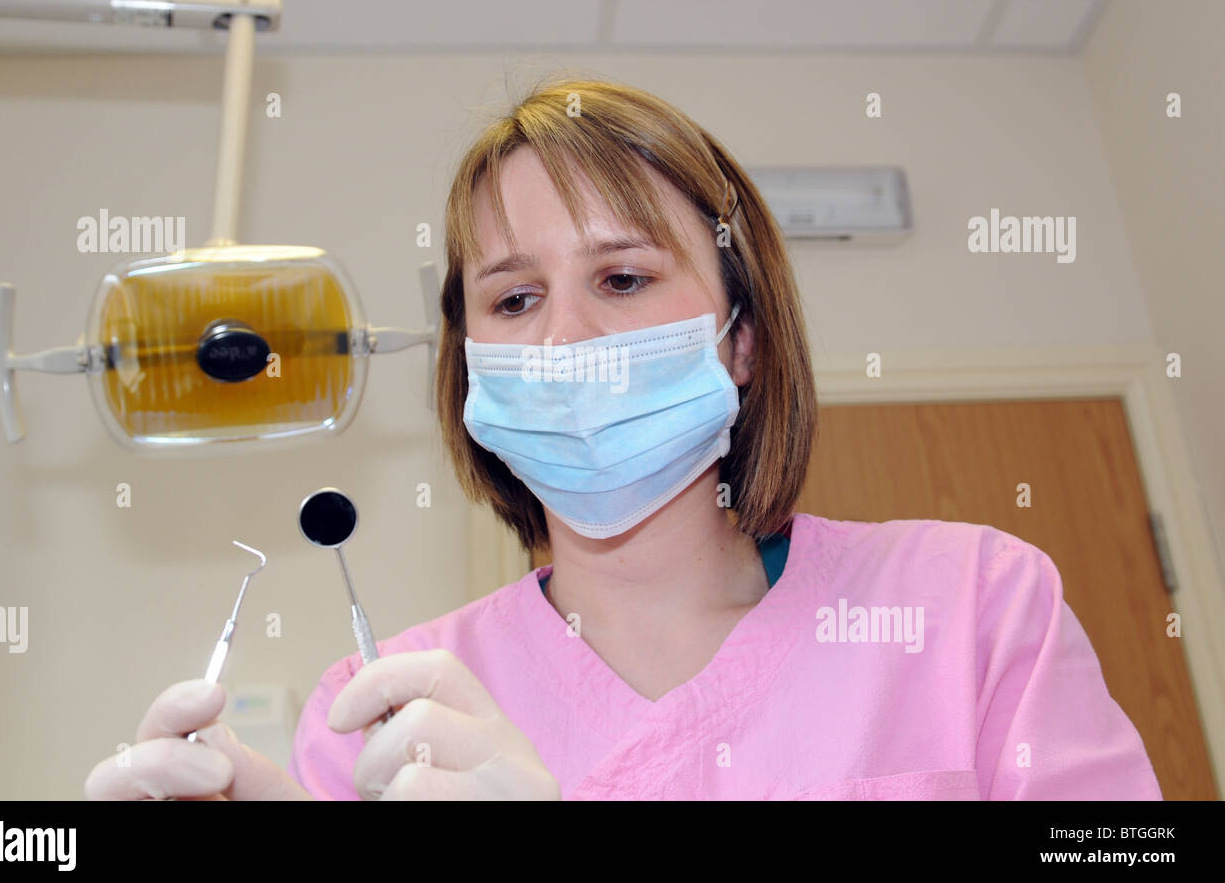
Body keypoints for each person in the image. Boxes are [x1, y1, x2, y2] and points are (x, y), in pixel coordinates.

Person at [86, 77, 1162, 801]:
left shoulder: (969, 601)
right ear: (471, 365)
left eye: (622, 278)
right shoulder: (378, 704)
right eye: (511, 300)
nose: (564, 339)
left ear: (738, 339)